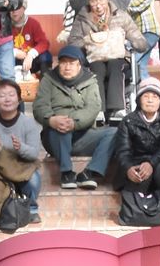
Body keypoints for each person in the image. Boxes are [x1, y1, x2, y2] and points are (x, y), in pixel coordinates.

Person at [37, 45, 115, 189]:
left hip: (82, 135)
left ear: (79, 65)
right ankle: (67, 173)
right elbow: (39, 106)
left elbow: (93, 107)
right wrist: (51, 120)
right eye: (64, 63)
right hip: (55, 136)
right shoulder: (48, 79)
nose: (67, 67)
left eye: (72, 63)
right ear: (58, 64)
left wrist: (74, 122)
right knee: (60, 128)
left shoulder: (90, 80)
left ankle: (90, 172)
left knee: (114, 133)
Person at [0, 78, 44, 229]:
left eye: (11, 95)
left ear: (19, 99)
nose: (7, 99)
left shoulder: (28, 123)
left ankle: (31, 209)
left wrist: (21, 148)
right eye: (2, 95)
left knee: (34, 178)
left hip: (22, 168)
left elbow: (34, 153)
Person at [66, 0, 145, 121]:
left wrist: (133, 43)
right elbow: (73, 41)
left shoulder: (120, 15)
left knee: (115, 66)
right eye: (94, 1)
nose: (98, 6)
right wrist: (89, 42)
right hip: (94, 58)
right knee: (97, 69)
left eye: (101, 1)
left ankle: (117, 109)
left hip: (117, 57)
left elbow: (139, 39)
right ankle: (98, 110)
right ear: (88, 1)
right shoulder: (83, 17)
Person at [118, 79, 160, 223]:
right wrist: (128, 168)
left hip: (159, 163)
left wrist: (151, 163)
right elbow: (123, 150)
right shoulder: (128, 121)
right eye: (146, 96)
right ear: (139, 100)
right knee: (140, 172)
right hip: (136, 163)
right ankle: (137, 211)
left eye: (155, 97)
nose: (150, 100)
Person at [113, 0, 160, 88]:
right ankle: (149, 92)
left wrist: (129, 7)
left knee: (132, 62)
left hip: (147, 28)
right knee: (140, 66)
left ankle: (146, 92)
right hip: (144, 30)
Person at [12, 5, 54, 80]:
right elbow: (0, 45)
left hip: (32, 60)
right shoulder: (5, 25)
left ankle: (45, 81)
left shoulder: (33, 23)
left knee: (46, 55)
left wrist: (31, 55)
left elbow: (44, 42)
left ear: (24, 8)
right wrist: (14, 52)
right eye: (11, 9)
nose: (14, 11)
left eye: (17, 8)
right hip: (16, 60)